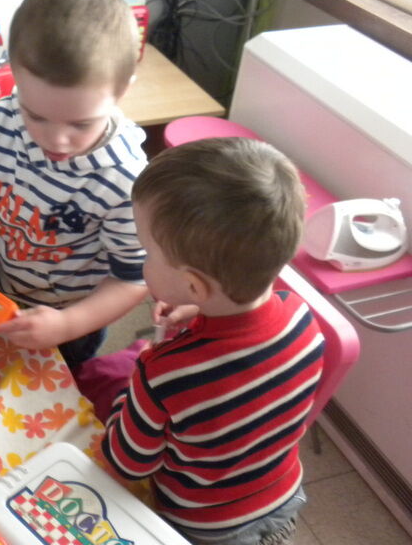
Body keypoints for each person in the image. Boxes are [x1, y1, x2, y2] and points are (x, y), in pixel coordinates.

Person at [95, 138, 324, 545]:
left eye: (147, 252)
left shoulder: (162, 373)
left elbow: (126, 463)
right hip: (284, 497)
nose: (142, 259)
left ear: (194, 285)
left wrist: (130, 394)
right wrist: (199, 310)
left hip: (203, 525)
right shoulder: (302, 317)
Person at [0, 0, 149, 369]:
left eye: (80, 123)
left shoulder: (125, 179)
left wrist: (68, 324)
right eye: (35, 115)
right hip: (5, 293)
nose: (56, 140)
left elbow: (133, 278)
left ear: (122, 92)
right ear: (15, 78)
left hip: (74, 321)